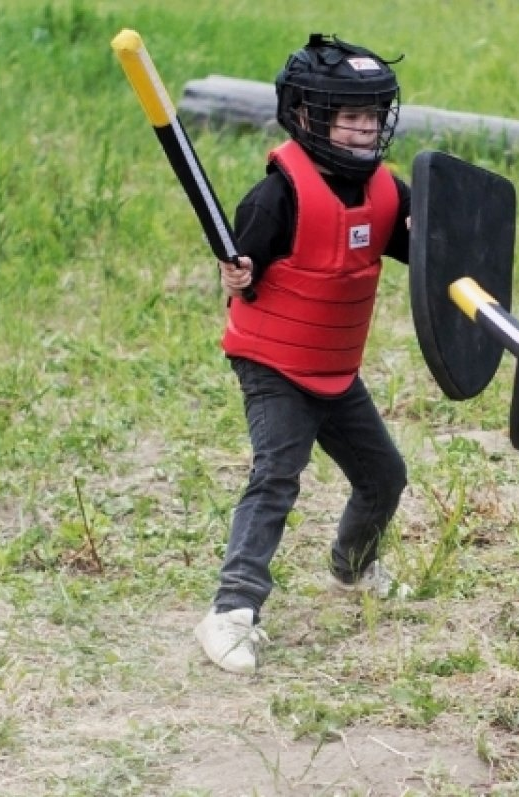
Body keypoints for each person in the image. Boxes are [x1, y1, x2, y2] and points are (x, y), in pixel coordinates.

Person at [195, 33, 414, 675]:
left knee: (384, 476)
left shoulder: (386, 192)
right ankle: (231, 613)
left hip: (333, 367)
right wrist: (236, 272)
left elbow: (426, 249)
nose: (366, 129)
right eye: (351, 117)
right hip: (273, 365)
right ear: (308, 116)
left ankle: (353, 568)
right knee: (277, 477)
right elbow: (242, 270)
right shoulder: (276, 197)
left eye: (374, 115)